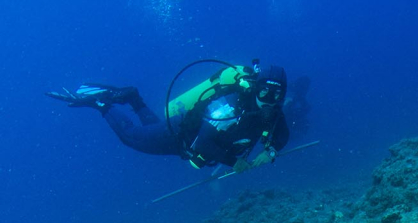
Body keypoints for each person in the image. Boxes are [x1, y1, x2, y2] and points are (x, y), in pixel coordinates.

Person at [46, 62, 289, 171]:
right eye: (265, 91)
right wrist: (233, 162)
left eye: (276, 94)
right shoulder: (232, 107)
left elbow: (282, 133)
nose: (269, 99)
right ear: (256, 88)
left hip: (180, 138)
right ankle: (101, 103)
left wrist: (270, 152)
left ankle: (133, 98)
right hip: (178, 135)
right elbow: (204, 140)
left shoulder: (272, 112)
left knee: (151, 129)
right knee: (131, 138)